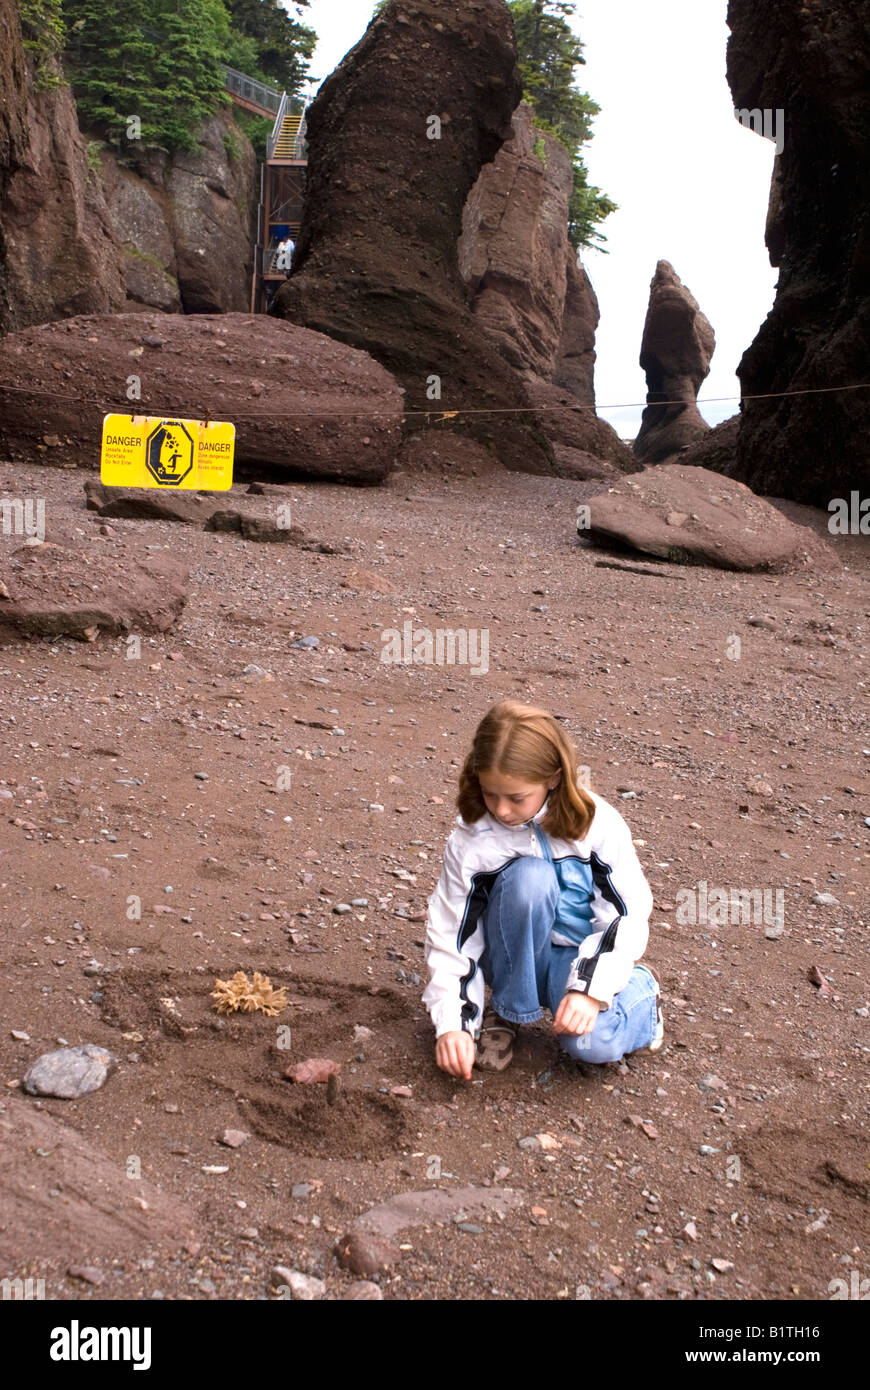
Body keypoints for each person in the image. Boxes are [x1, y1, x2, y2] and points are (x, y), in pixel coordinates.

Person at [422, 700, 663, 1079]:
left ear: (553, 777)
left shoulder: (598, 825)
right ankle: (507, 1011)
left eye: (516, 797)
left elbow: (625, 913)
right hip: (510, 957)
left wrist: (588, 989)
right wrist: (452, 1025)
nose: (501, 810)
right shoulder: (473, 838)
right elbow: (452, 934)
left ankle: (642, 998)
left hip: (576, 958)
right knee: (528, 880)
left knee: (592, 1046)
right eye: (490, 793)